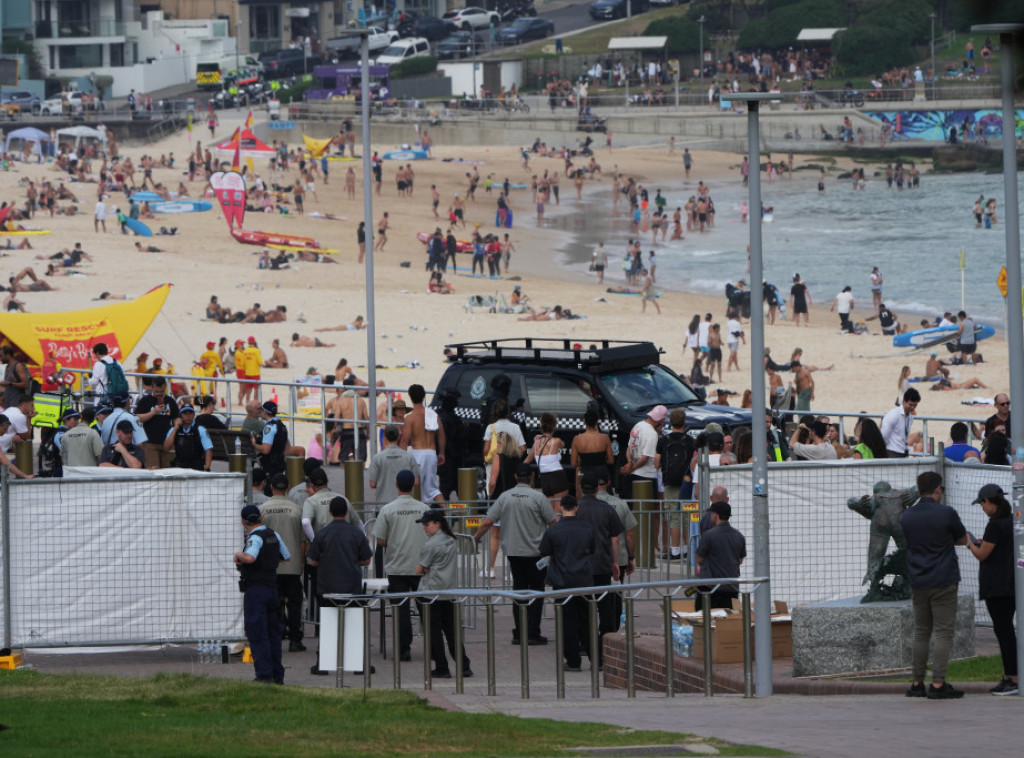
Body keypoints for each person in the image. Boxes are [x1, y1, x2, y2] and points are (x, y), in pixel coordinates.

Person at [901, 471, 969, 699]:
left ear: (919, 490)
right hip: (944, 579)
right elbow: (962, 538)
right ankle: (938, 684)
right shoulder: (946, 513)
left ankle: (917, 682)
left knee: (921, 632)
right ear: (938, 488)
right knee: (943, 632)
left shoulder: (907, 516)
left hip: (918, 580)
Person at [474, 464, 557, 645]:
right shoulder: (539, 497)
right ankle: (533, 632)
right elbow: (553, 523)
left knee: (519, 590)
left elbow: (488, 521)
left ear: (515, 476)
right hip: (536, 553)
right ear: (533, 477)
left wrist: (476, 537)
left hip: (513, 552)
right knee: (536, 592)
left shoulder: (505, 496)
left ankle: (519, 632)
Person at [306, 495, 373, 675]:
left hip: (327, 586)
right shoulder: (356, 533)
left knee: (328, 625)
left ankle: (323, 664)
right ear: (346, 512)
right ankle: (358, 665)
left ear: (329, 512)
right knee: (354, 625)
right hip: (351, 586)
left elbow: (312, 561)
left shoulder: (322, 533)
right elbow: (366, 560)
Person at [965, 484, 1018, 696]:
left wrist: (970, 543)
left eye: (982, 504)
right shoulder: (1012, 520)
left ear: (988, 502)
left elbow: (982, 554)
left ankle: (1013, 678)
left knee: (1003, 632)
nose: (982, 508)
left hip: (997, 587)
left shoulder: (995, 525)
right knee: (1006, 631)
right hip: (1011, 585)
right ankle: (1010, 675)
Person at [539, 494, 597, 673]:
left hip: (562, 581)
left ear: (560, 508)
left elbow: (544, 551)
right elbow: (593, 549)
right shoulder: (588, 527)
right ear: (577, 507)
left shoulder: (553, 530)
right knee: (587, 620)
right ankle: (596, 658)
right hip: (584, 580)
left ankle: (573, 661)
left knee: (566, 622)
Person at [375, 469, 429, 661]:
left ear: (396, 485)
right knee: (426, 607)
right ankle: (433, 646)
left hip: (397, 565)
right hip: (421, 565)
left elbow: (380, 539)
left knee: (400, 610)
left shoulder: (388, 509)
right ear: (414, 484)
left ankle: (403, 649)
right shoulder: (424, 508)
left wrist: (394, 542)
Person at [234, 504, 289, 684]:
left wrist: (238, 555)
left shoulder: (254, 538)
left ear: (243, 522)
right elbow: (286, 556)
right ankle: (277, 675)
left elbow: (250, 558)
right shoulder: (273, 534)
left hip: (256, 590)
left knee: (257, 632)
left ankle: (264, 675)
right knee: (273, 632)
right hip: (273, 588)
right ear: (260, 518)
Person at [415, 509, 473, 678]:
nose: (424, 528)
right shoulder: (451, 540)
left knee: (434, 632)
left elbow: (419, 569)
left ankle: (442, 666)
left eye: (426, 525)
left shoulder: (430, 544)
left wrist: (426, 568)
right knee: (451, 630)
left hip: (430, 591)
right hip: (449, 591)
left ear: (437, 524)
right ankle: (464, 665)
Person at [575, 472, 624, 667]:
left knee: (584, 611)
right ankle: (605, 650)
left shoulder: (575, 509)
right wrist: (614, 562)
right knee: (606, 610)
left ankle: (590, 650)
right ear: (598, 488)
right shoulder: (607, 509)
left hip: (581, 567)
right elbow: (615, 539)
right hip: (602, 565)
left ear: (580, 487)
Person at [258, 473, 308, 653]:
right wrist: (301, 561)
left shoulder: (263, 509)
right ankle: (295, 639)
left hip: (271, 565)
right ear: (287, 488)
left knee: (274, 602)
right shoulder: (296, 510)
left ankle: (276, 635)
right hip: (292, 563)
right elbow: (303, 541)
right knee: (294, 603)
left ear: (271, 487)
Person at [695, 501, 746, 610]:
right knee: (727, 621)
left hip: (709, 586)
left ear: (715, 515)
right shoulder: (739, 536)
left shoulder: (709, 535)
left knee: (704, 619)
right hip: (731, 587)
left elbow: (699, 559)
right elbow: (740, 560)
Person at [405, 383, 446, 503]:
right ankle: (447, 514)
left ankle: (419, 515)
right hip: (432, 453)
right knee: (432, 489)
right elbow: (442, 435)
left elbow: (405, 441)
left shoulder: (410, 418)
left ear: (410, 397)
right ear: (423, 397)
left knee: (415, 486)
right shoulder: (433, 415)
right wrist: (442, 453)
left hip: (418, 454)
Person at [368, 425, 420, 508]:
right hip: (405, 506)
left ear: (384, 437)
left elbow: (372, 484)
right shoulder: (409, 457)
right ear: (398, 437)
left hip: (383, 504)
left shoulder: (377, 458)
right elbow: (416, 481)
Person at [619, 405, 665, 499]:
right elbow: (645, 458)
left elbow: (629, 448)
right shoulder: (652, 434)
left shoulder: (637, 426)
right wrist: (632, 468)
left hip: (632, 476)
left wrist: (629, 463)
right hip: (647, 476)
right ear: (661, 420)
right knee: (647, 510)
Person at [524, 412, 569, 504]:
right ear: (554, 426)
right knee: (559, 510)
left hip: (544, 478)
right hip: (558, 477)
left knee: (550, 512)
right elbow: (563, 445)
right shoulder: (556, 441)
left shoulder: (536, 444)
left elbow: (527, 460)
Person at [134, 378, 179, 468]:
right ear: (152, 387)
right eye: (156, 391)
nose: (159, 394)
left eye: (161, 391)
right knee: (153, 471)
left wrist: (176, 428)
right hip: (150, 443)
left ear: (165, 387)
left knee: (168, 471)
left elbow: (176, 418)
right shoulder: (145, 400)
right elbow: (138, 418)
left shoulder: (170, 401)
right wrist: (153, 412)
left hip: (167, 443)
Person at [163, 403, 213, 471]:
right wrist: (175, 428)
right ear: (180, 415)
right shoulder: (174, 429)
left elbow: (208, 449)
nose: (188, 416)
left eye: (190, 413)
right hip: (179, 466)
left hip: (196, 466)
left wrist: (207, 468)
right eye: (185, 413)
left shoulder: (200, 429)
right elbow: (166, 447)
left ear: (194, 415)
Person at [252, 400, 288, 477]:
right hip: (280, 463)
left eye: (261, 410)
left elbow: (265, 450)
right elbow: (287, 445)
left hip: (270, 465)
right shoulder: (281, 425)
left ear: (265, 412)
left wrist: (254, 444)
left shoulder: (269, 427)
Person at [882, 388, 921, 458]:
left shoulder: (910, 417)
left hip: (903, 452)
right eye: (911, 404)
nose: (912, 408)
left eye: (915, 405)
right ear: (904, 401)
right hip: (891, 452)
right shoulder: (893, 415)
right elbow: (884, 436)